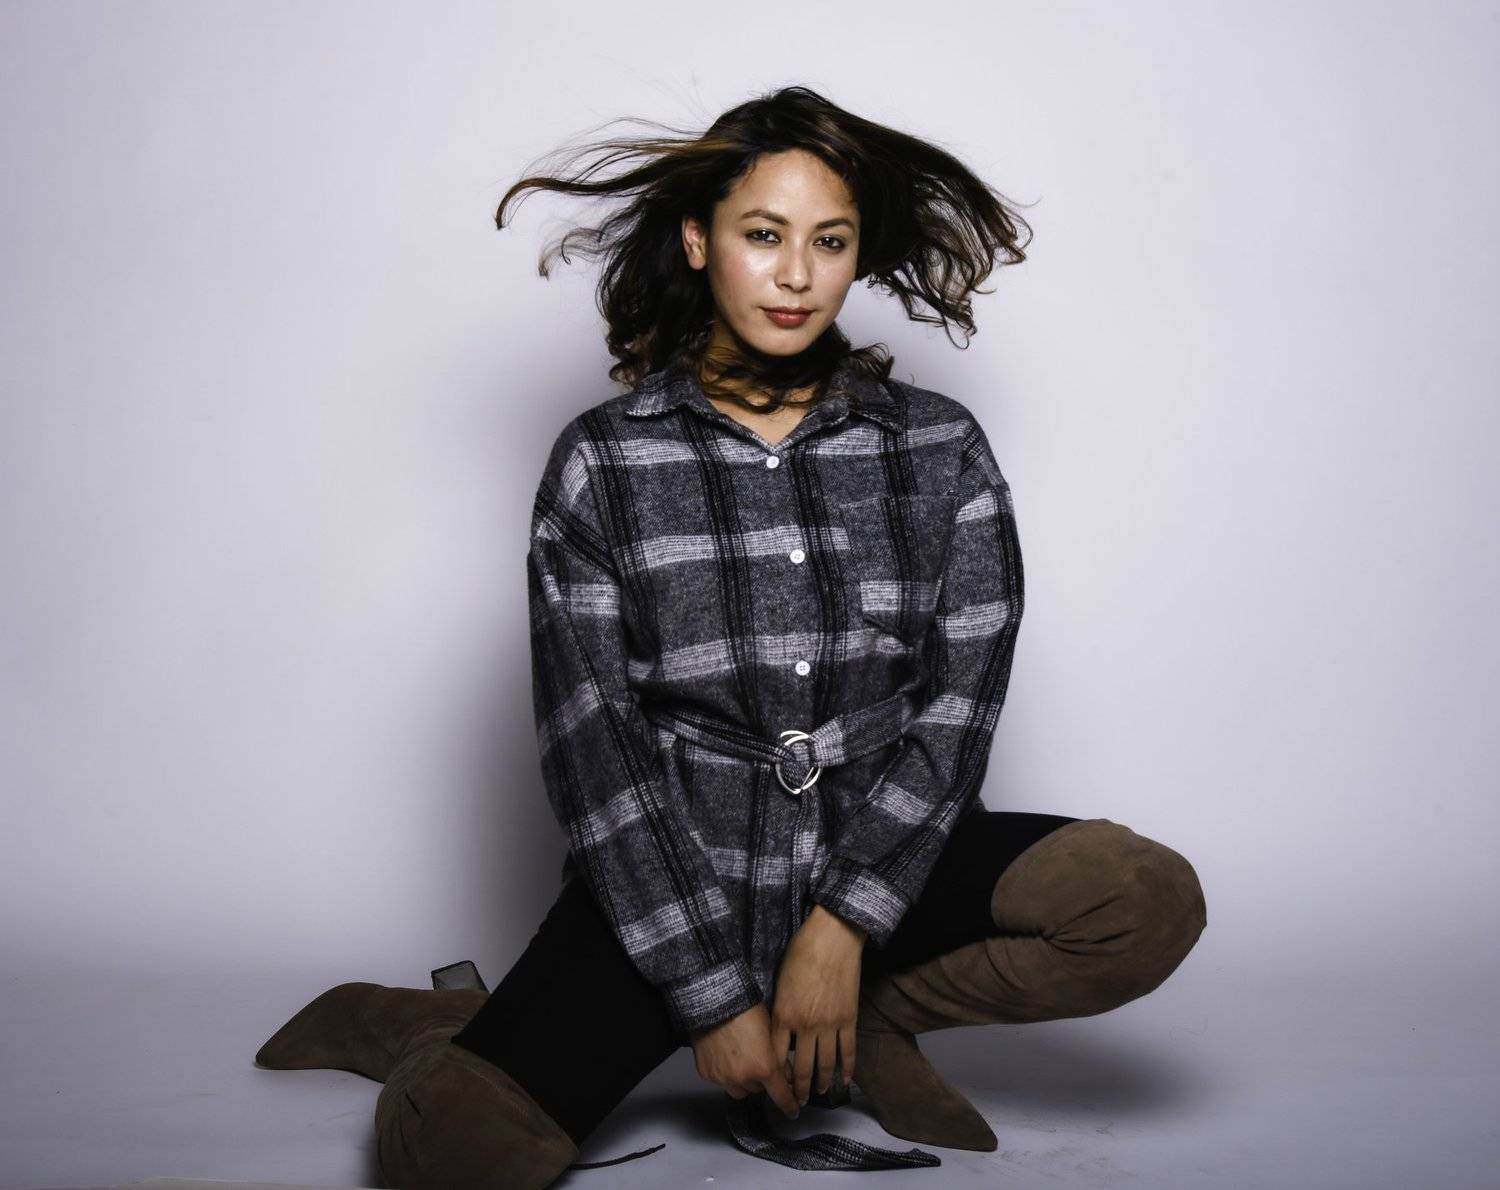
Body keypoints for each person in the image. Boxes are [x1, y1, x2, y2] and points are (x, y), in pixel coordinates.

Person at [253, 85, 1208, 1189]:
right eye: (764, 235)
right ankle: (433, 1024)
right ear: (700, 241)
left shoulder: (941, 449)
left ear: (857, 256)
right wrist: (710, 991)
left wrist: (841, 929)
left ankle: (863, 1014)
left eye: (829, 242)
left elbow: (958, 713)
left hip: (886, 858)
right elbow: (594, 751)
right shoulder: (603, 462)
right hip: (676, 881)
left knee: (1141, 898)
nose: (797, 274)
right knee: (452, 1154)